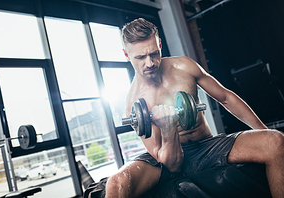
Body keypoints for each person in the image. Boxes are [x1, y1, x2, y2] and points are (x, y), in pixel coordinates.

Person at [105, 18, 284, 198]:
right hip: (165, 158)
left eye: (154, 53)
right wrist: (168, 127)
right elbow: (171, 164)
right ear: (127, 55)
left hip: (206, 145)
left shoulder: (183, 66)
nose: (150, 63)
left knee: (275, 141)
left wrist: (263, 133)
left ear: (159, 44)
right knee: (116, 184)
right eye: (140, 57)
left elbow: (226, 97)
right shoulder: (134, 103)